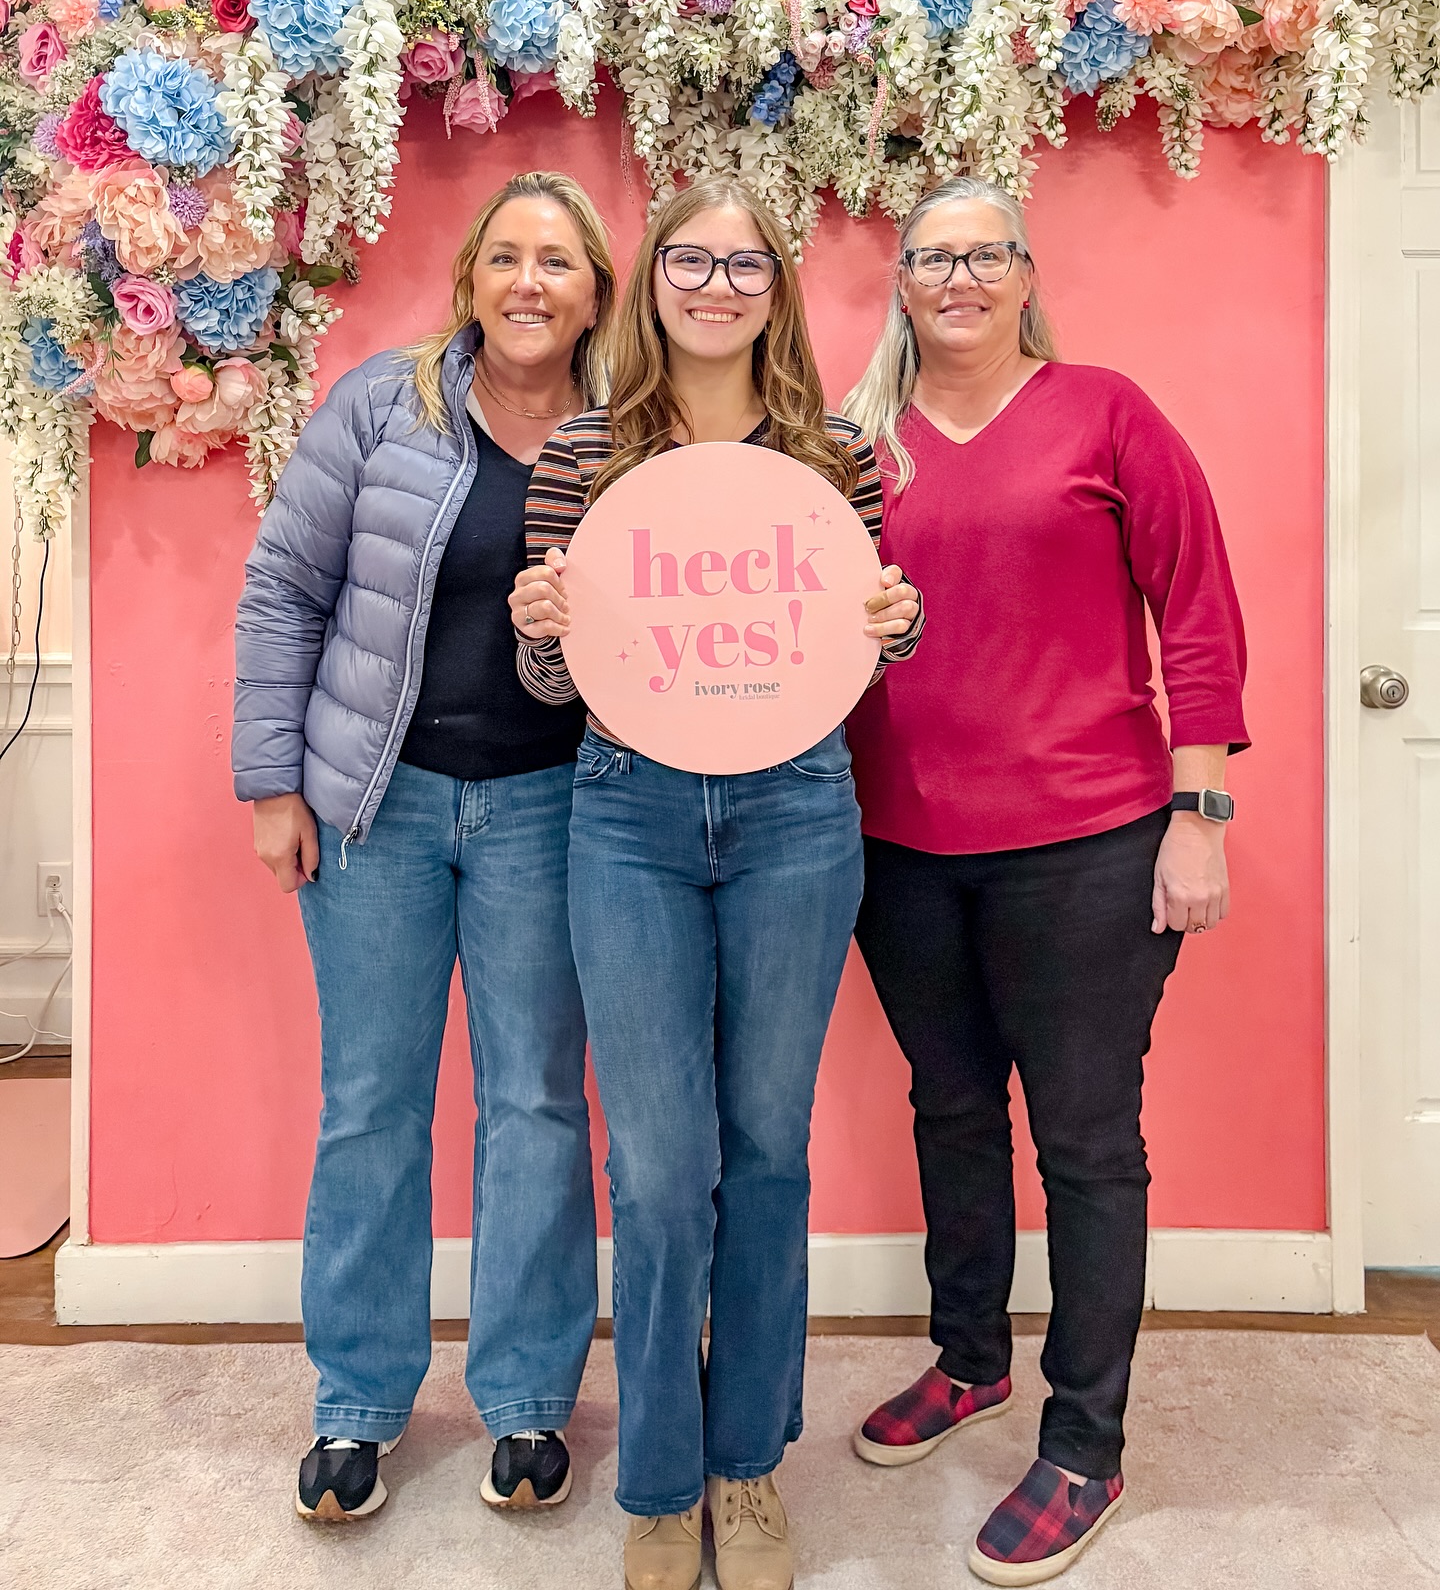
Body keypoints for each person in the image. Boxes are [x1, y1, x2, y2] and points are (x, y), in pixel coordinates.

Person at [509, 174, 922, 1590]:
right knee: (662, 1164)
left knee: (768, 1149)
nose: (716, 285)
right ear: (654, 280)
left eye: (746, 266)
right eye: (690, 259)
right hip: (624, 810)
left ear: (777, 293)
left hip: (797, 811)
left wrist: (900, 619)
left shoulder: (837, 457)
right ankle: (660, 1481)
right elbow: (551, 680)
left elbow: (861, 650)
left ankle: (748, 1469)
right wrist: (540, 624)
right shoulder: (582, 452)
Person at [841, 176, 1248, 1586]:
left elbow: (1195, 609)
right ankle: (970, 1362)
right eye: (932, 257)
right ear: (902, 282)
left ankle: (1087, 1439)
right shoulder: (858, 443)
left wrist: (1199, 815)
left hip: (1087, 841)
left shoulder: (1107, 413)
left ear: (1024, 273)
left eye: (984, 254)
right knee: (950, 1107)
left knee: (1083, 1141)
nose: (958, 277)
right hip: (897, 847)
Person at [232, 171, 616, 1524]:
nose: (528, 281)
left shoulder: (627, 435)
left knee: (535, 1108)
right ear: (470, 279)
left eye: (557, 261)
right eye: (505, 255)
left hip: (550, 814)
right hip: (374, 810)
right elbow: (283, 588)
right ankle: (357, 1403)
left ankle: (524, 1401)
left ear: (593, 294)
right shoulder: (379, 406)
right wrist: (272, 786)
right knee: (371, 1108)